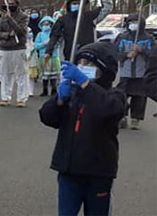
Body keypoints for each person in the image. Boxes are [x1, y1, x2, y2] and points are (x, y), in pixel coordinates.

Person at [39, 42, 126, 216]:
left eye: (90, 65)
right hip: (69, 169)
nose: (83, 68)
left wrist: (85, 83)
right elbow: (48, 118)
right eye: (81, 63)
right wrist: (59, 101)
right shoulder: (73, 92)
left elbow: (110, 110)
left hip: (98, 172)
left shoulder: (114, 95)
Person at [45, 0, 113, 63]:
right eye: (74, 3)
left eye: (79, 3)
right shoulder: (62, 20)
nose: (77, 5)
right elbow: (55, 36)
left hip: (88, 55)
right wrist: (49, 51)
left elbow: (106, 9)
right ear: (69, 5)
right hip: (69, 56)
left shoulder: (90, 16)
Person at [115, 14, 156, 130]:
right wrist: (126, 55)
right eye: (131, 22)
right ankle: (121, 116)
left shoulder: (148, 38)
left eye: (136, 23)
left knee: (139, 97)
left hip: (141, 73)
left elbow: (153, 54)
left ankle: (136, 118)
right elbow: (115, 52)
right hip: (125, 73)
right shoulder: (122, 37)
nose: (133, 25)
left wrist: (141, 50)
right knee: (121, 95)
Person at [0, 0, 30, 107]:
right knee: (5, 74)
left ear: (17, 4)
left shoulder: (24, 17)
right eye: (8, 3)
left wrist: (10, 19)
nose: (10, 5)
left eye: (12, 3)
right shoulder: (3, 18)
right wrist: (6, 35)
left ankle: (21, 99)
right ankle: (5, 98)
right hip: (5, 49)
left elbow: (21, 30)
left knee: (21, 74)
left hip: (18, 48)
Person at [34, 17, 60, 96]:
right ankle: (44, 90)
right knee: (44, 75)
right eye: (44, 24)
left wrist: (52, 45)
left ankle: (54, 89)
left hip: (53, 56)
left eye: (47, 24)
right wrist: (44, 44)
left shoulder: (54, 34)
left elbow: (58, 43)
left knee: (53, 74)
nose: (46, 26)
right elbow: (36, 46)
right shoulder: (40, 35)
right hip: (43, 56)